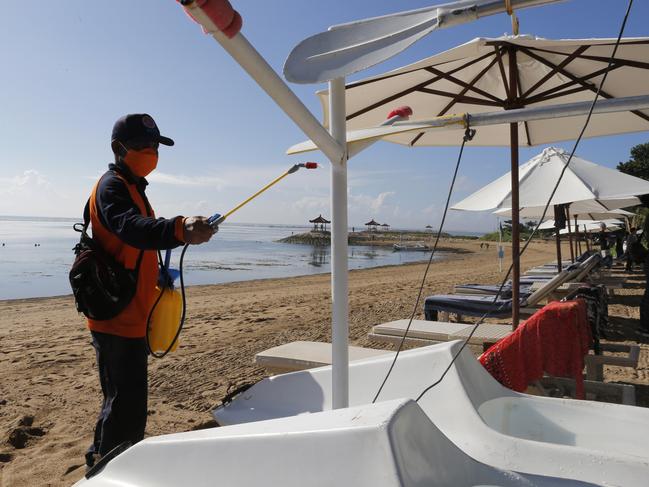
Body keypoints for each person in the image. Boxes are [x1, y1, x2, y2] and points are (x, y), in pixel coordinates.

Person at [84, 114, 215, 467]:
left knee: (125, 403)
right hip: (115, 319)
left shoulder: (134, 188)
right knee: (123, 405)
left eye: (156, 146)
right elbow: (132, 228)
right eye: (144, 146)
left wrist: (156, 272)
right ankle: (106, 468)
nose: (152, 153)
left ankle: (105, 460)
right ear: (119, 149)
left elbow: (135, 243)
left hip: (135, 313)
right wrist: (180, 228)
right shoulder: (111, 186)